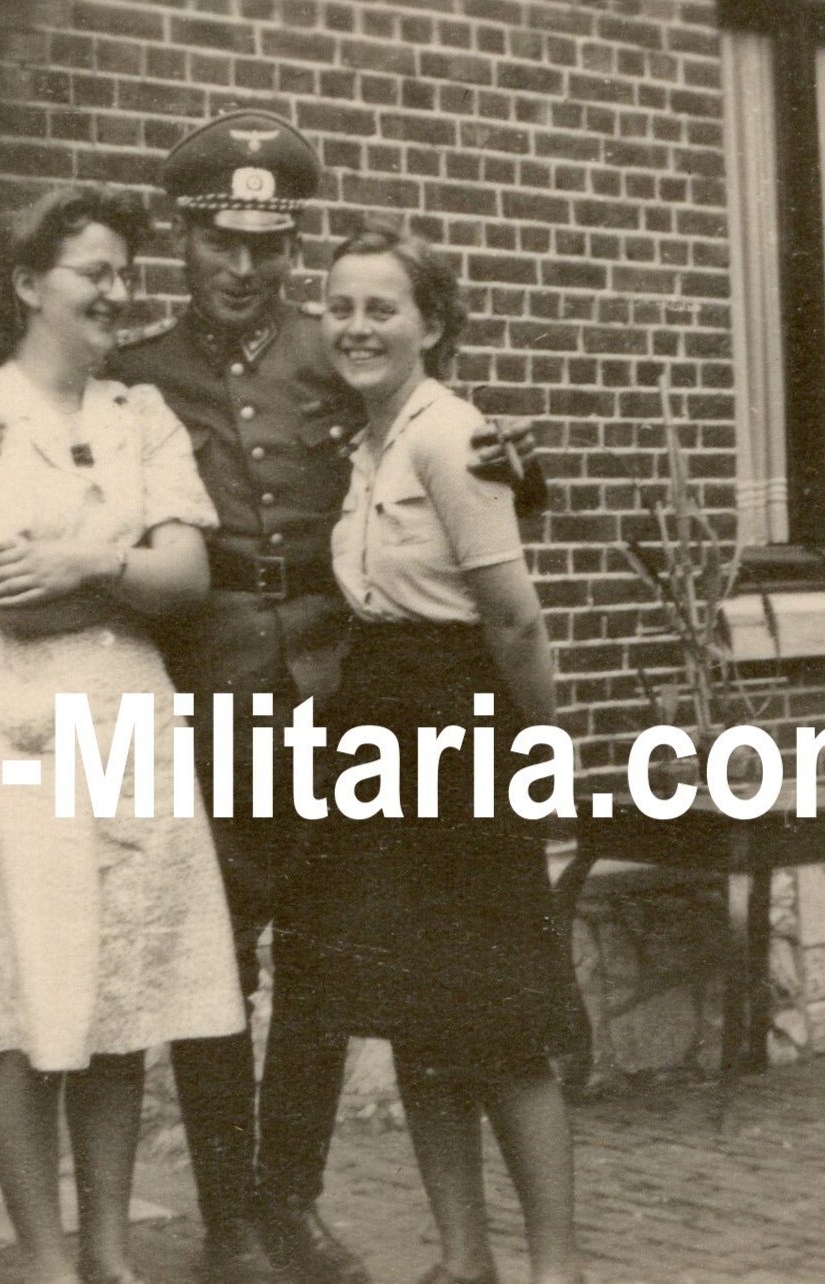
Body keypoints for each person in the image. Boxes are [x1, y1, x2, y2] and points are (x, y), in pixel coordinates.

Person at [0, 111, 543, 1284]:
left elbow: (440, 437)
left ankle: (289, 1200)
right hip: (201, 686)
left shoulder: (337, 350)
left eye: (269, 245)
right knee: (208, 963)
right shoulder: (135, 372)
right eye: (216, 243)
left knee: (326, 959)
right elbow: (12, 413)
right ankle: (230, 1217)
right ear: (185, 241)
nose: (244, 270)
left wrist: (519, 465)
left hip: (340, 691)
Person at [0, 186, 245, 1284]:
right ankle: (50, 1266)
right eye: (93, 272)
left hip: (131, 730)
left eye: (121, 273)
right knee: (26, 999)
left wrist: (87, 563)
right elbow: (10, 601)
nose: (116, 291)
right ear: (26, 284)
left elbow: (187, 578)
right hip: (15, 735)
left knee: (118, 1003)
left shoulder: (136, 415)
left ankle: (109, 1257)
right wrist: (122, 565)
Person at [292, 225, 588, 1284]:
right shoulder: (365, 442)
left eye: (383, 308)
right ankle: (463, 1262)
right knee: (416, 1012)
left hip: (464, 732)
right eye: (341, 307)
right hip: (380, 729)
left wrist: (536, 753)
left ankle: (553, 1268)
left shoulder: (448, 435)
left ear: (432, 324)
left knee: (499, 1017)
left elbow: (513, 620)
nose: (358, 326)